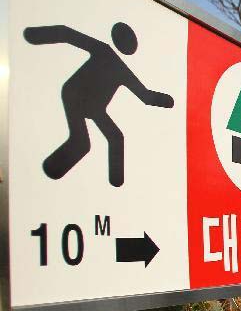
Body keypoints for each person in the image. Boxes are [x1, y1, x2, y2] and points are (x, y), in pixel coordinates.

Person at [23, 22, 174, 187]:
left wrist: (167, 100)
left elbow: (145, 96)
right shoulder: (103, 50)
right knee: (81, 142)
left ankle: (116, 183)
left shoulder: (122, 69)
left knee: (116, 137)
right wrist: (34, 36)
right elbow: (67, 34)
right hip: (75, 95)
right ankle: (50, 170)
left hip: (95, 107)